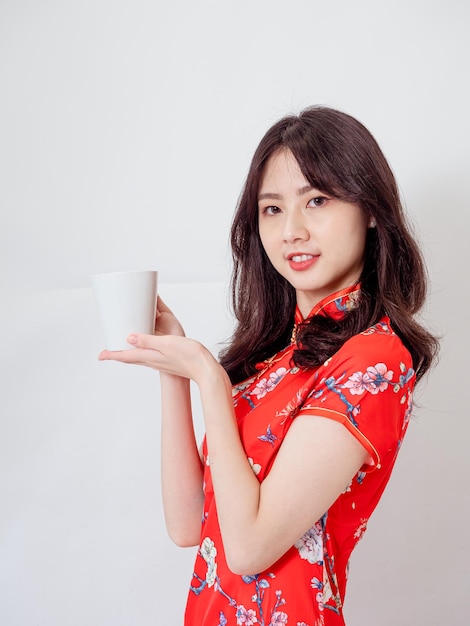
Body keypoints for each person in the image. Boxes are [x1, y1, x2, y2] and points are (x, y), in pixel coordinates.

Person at [99, 106, 439, 626]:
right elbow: (190, 525)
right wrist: (174, 367)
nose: (292, 231)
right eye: (272, 209)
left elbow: (250, 548)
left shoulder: (373, 360)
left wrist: (209, 377)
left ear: (371, 209)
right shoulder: (275, 357)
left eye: (317, 201)